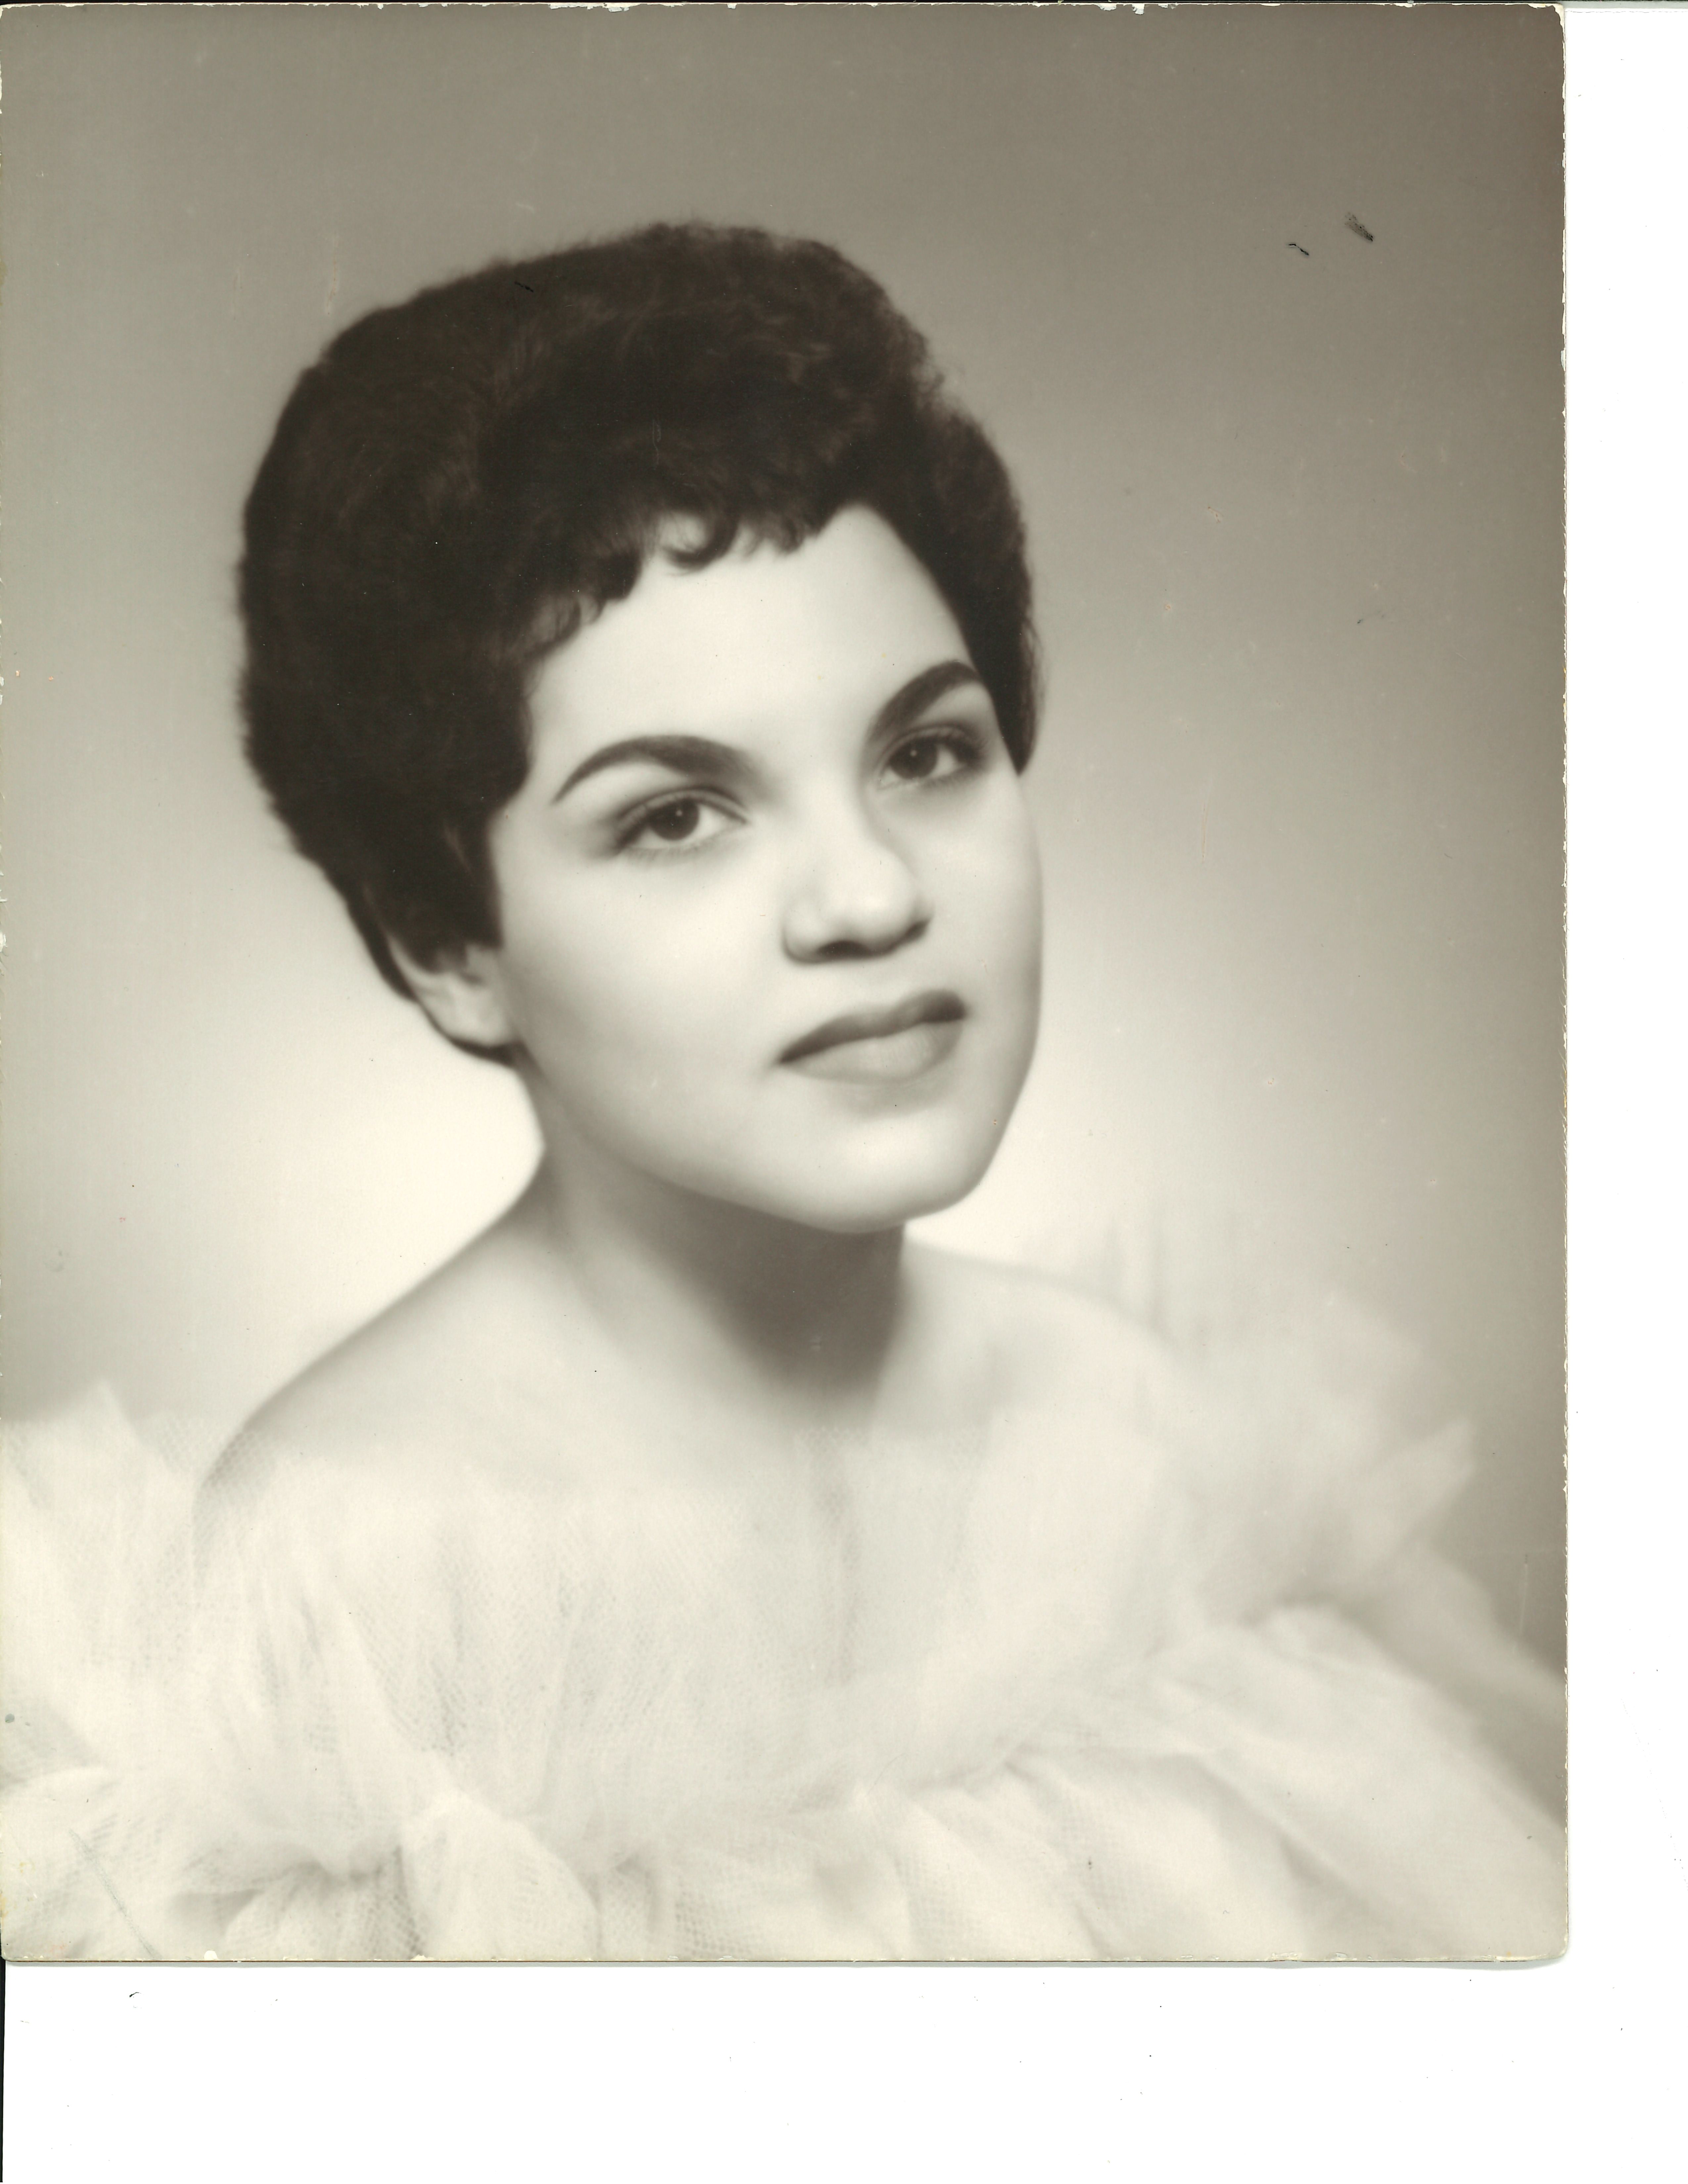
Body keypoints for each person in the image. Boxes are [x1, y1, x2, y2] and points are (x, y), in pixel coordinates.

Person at [2, 224, 1564, 1963]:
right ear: (450, 945)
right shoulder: (354, 1593)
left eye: (928, 752)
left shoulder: (1131, 1441)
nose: (872, 896)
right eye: (675, 816)